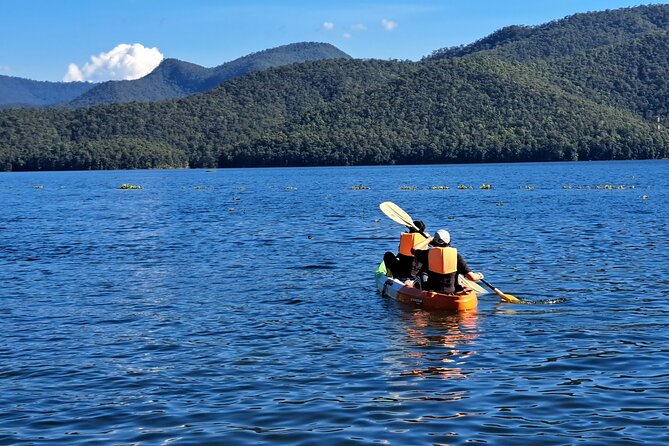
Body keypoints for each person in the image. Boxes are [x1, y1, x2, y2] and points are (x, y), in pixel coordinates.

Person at [408, 229, 484, 294]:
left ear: (434, 241)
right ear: (448, 241)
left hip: (432, 290)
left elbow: (414, 249)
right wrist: (479, 276)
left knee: (421, 275)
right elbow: (472, 278)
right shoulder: (456, 256)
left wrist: (428, 240)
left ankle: (411, 285)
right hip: (450, 291)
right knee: (458, 275)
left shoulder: (428, 254)